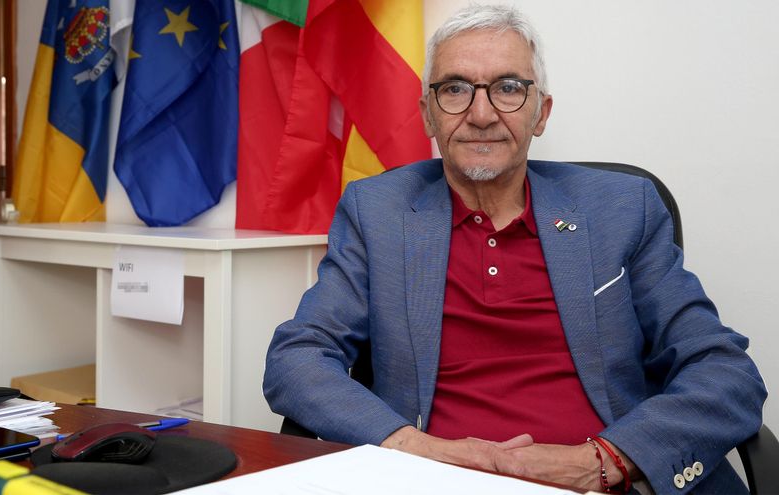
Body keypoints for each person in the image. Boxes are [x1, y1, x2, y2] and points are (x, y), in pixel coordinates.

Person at [263, 4, 766, 493]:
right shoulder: (377, 211)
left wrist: (604, 461)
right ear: (427, 116)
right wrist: (412, 447)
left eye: (508, 88)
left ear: (541, 112)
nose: (481, 114)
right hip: (432, 481)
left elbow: (725, 372)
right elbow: (298, 358)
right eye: (455, 89)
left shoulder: (621, 207)